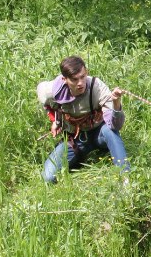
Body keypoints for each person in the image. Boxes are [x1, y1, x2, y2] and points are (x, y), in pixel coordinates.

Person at [37, 55, 130, 184]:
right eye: (75, 79)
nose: (80, 83)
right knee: (48, 177)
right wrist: (56, 121)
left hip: (99, 133)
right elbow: (46, 101)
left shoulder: (96, 86)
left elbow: (116, 126)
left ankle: (125, 177)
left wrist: (116, 103)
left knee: (110, 131)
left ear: (86, 72)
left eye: (82, 76)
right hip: (75, 140)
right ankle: (78, 157)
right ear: (65, 79)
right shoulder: (52, 91)